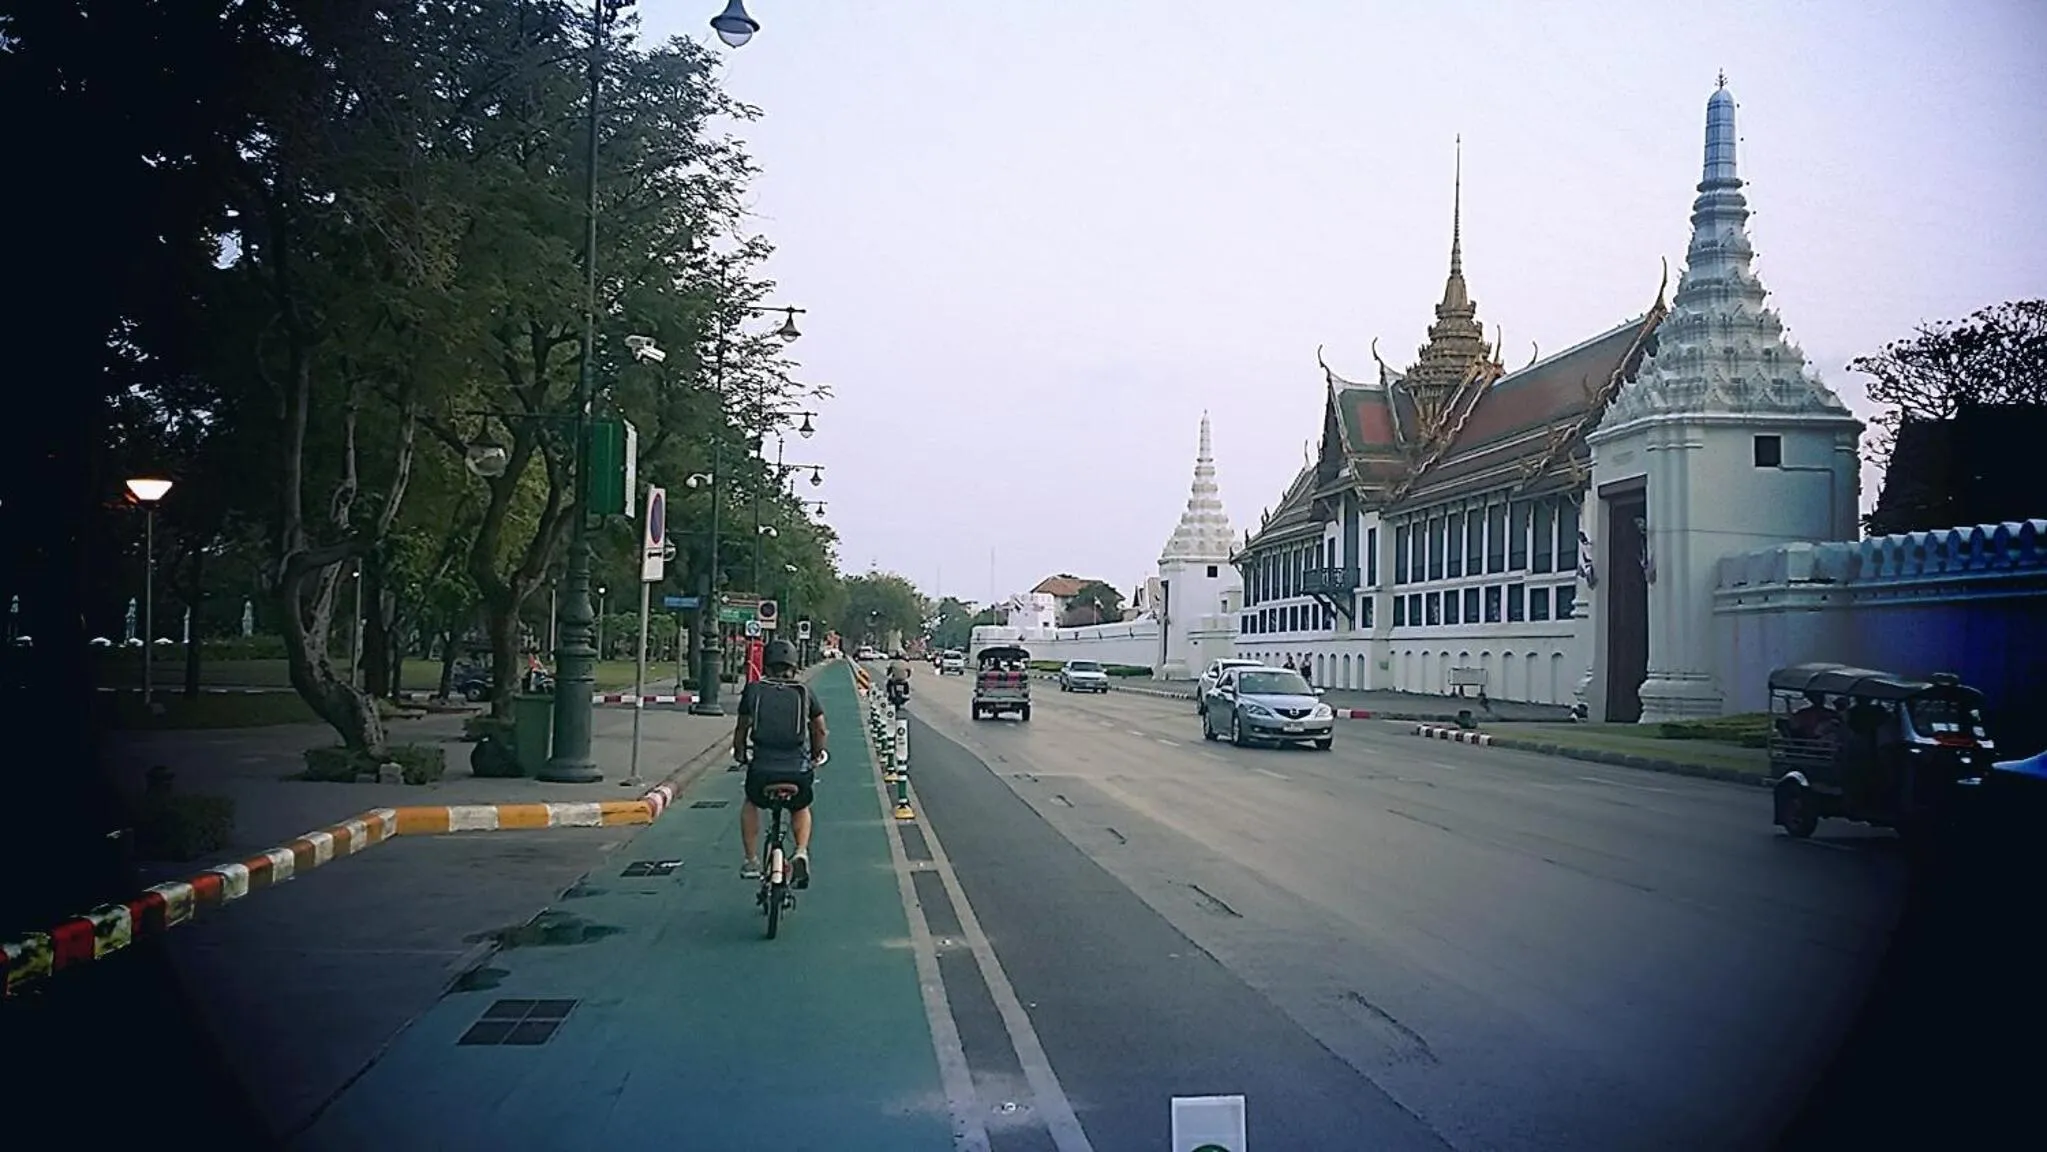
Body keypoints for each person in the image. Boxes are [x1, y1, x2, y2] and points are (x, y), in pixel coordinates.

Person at [734, 639, 827, 886]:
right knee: (800, 806)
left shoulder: (754, 690)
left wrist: (740, 753)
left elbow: (742, 727)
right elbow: (819, 729)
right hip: (797, 770)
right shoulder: (804, 691)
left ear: (766, 665)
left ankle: (751, 859)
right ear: (794, 666)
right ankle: (800, 852)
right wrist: (816, 754)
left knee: (751, 802)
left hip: (762, 769)